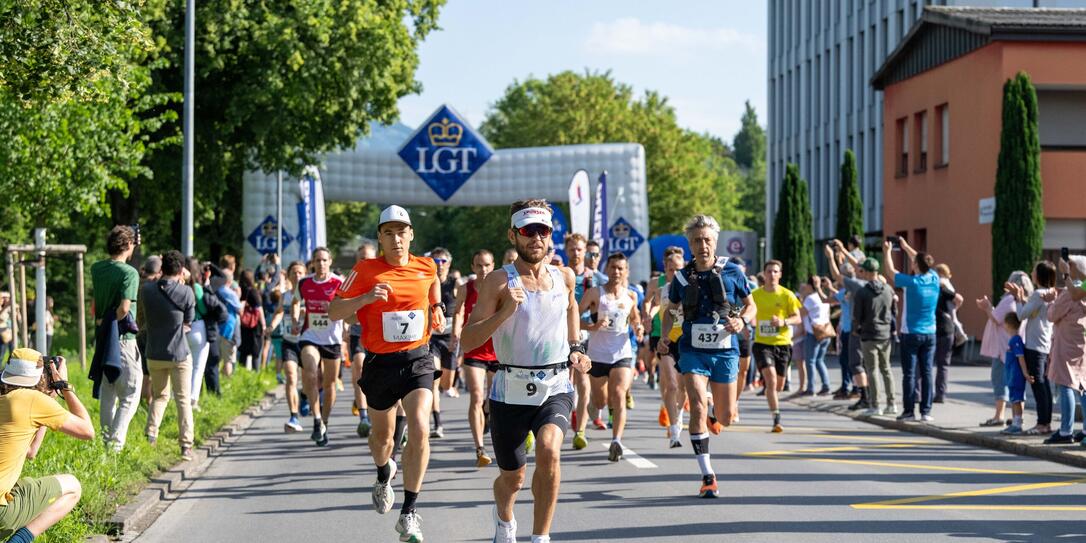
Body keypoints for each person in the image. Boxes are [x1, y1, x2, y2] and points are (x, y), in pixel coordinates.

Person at [460, 199, 590, 543]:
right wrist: (505, 312)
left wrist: (576, 349)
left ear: (550, 236)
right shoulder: (499, 282)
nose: (536, 237)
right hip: (509, 388)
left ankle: (540, 537)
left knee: (549, 449)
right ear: (513, 235)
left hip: (555, 384)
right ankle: (504, 519)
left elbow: (572, 309)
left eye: (542, 230)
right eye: (527, 230)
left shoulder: (565, 276)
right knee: (512, 478)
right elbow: (468, 338)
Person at [329, 205, 446, 543]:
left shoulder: (426, 266)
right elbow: (335, 310)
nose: (396, 238)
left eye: (401, 231)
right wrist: (365, 297)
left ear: (411, 234)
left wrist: (436, 308)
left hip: (418, 360)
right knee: (382, 441)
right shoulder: (365, 269)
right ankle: (384, 473)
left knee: (421, 426)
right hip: (380, 363)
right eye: (389, 233)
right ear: (380, 238)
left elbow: (434, 283)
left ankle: (409, 512)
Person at [658, 214, 756, 499]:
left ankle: (717, 413)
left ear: (716, 241)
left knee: (725, 416)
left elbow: (751, 306)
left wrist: (742, 322)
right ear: (690, 244)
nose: (703, 245)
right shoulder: (681, 277)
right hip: (692, 350)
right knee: (697, 405)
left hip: (725, 351)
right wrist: (666, 336)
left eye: (708, 240)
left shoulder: (733, 271)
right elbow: (669, 311)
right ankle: (707, 475)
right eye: (697, 240)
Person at [0, 348, 95, 542]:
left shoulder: (9, 400)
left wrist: (47, 399)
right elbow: (88, 431)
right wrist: (64, 385)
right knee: (73, 486)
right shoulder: (31, 400)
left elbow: (31, 451)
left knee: (25, 484)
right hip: (1, 515)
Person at [580, 252, 643, 462]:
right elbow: (573, 319)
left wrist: (639, 328)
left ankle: (616, 440)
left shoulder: (631, 296)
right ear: (606, 270)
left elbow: (635, 319)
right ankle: (594, 405)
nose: (616, 272)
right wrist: (592, 326)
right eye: (613, 267)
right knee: (601, 401)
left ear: (626, 272)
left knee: (618, 394)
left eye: (620, 268)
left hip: (622, 353)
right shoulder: (594, 294)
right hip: (597, 355)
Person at [138, 250, 197, 458]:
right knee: (182, 399)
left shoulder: (147, 291)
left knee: (160, 396)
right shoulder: (187, 293)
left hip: (153, 352)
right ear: (181, 270)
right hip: (179, 353)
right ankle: (186, 445)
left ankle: (151, 435)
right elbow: (189, 323)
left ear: (162, 268)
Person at [90, 225, 143, 451]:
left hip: (102, 337)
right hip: (122, 338)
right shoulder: (129, 273)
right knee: (131, 392)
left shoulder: (97, 268)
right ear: (129, 245)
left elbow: (94, 304)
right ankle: (115, 444)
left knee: (108, 392)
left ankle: (105, 442)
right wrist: (115, 318)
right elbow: (123, 308)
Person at [882, 238, 939, 422]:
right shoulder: (934, 278)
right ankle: (926, 411)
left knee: (910, 374)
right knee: (927, 372)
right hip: (930, 332)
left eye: (914, 263)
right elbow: (922, 261)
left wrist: (887, 252)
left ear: (916, 266)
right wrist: (906, 247)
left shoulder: (911, 283)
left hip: (911, 333)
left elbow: (890, 272)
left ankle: (908, 411)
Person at [451, 249, 498, 468]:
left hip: (498, 350)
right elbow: (458, 311)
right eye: (479, 265)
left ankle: (488, 412)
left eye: (487, 265)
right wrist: (456, 334)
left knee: (493, 399)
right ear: (473, 267)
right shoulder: (466, 288)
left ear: (493, 265)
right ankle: (479, 447)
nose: (483, 270)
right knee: (476, 396)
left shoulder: (500, 287)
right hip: (474, 350)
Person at [294, 247, 345, 447]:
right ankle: (316, 420)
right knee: (311, 373)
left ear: (330, 261)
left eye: (324, 260)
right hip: (310, 335)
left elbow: (348, 307)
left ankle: (324, 422)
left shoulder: (338, 283)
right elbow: (296, 301)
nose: (321, 264)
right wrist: (297, 318)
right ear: (312, 263)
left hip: (332, 339)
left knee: (330, 384)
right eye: (317, 260)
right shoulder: (305, 283)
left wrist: (333, 309)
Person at [564, 233, 607, 450]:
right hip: (561, 335)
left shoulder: (597, 278)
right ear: (566, 250)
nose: (576, 253)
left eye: (580, 249)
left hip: (587, 337)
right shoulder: (559, 274)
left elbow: (612, 299)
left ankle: (580, 431)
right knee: (562, 384)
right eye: (572, 249)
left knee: (583, 383)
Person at [749, 260, 801, 434]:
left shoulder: (787, 295)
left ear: (780, 274)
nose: (772, 275)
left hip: (783, 343)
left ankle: (773, 399)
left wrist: (783, 321)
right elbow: (747, 310)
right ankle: (776, 419)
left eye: (775, 271)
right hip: (762, 343)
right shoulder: (755, 295)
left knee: (778, 386)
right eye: (769, 271)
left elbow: (797, 318)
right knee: (770, 381)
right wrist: (749, 320)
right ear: (764, 274)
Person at [646, 246, 689, 447]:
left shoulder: (691, 287)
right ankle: (674, 431)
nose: (675, 274)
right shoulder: (662, 289)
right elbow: (654, 304)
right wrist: (649, 316)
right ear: (666, 269)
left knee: (683, 387)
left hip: (688, 341)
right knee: (671, 384)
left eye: (679, 270)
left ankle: (679, 413)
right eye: (671, 270)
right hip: (666, 340)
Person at [1007, 261, 1056, 435]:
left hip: (1034, 345)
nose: (1032, 273)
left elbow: (1021, 315)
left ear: (1040, 275)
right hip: (1045, 344)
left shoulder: (1037, 294)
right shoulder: (1050, 293)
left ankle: (1042, 424)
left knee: (1038, 386)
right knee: (1044, 385)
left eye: (1034, 271)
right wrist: (1022, 298)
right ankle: (1046, 423)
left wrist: (1018, 298)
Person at [1042, 255, 1086, 445]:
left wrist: (1051, 301)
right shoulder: (1079, 289)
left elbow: (1052, 315)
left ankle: (1066, 430)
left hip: (1066, 341)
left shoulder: (1071, 292)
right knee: (1083, 385)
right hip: (1081, 340)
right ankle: (1084, 430)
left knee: (1065, 384)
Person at [976, 271, 1030, 427]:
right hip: (1019, 344)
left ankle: (999, 415)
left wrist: (986, 307)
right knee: (1017, 383)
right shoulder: (1025, 301)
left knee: (999, 380)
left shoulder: (1008, 300)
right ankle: (1017, 416)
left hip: (1003, 347)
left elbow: (995, 317)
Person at [826, 241, 873, 410]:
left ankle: (865, 396)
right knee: (872, 365)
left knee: (856, 364)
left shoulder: (858, 286)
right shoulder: (880, 284)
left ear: (863, 272)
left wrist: (831, 258)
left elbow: (839, 277)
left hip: (857, 330)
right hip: (875, 330)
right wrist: (844, 252)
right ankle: (873, 398)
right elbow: (858, 267)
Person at [852, 258, 895, 416]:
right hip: (885, 333)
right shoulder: (888, 289)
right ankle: (891, 404)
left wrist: (856, 329)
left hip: (869, 333)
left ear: (868, 272)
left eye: (863, 271)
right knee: (886, 369)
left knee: (872, 370)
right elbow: (893, 311)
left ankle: (875, 404)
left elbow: (857, 316)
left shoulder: (862, 292)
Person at [348, 241, 378, 438]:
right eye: (361, 258)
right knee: (358, 367)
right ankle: (364, 418)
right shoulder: (352, 278)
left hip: (379, 334)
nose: (365, 261)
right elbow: (341, 307)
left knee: (377, 377)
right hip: (358, 332)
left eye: (368, 258)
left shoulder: (384, 277)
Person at [428, 247, 458, 438]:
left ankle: (441, 391)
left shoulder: (456, 284)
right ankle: (437, 424)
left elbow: (463, 309)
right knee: (434, 381)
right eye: (435, 262)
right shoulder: (426, 283)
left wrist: (458, 330)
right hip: (431, 338)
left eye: (443, 262)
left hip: (449, 338)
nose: (439, 266)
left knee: (446, 384)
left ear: (449, 263)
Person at [275, 261, 307, 432]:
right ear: (288, 276)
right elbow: (279, 313)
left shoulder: (309, 294)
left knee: (311, 380)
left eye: (300, 272)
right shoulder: (285, 296)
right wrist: (270, 326)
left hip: (308, 341)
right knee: (291, 376)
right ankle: (293, 416)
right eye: (294, 272)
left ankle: (304, 396)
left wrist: (305, 312)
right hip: (289, 341)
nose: (297, 276)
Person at [932, 264, 963, 403]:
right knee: (943, 365)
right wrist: (955, 311)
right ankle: (940, 394)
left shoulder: (938, 288)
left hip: (934, 328)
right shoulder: (948, 288)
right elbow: (959, 299)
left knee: (924, 364)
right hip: (948, 328)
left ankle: (919, 394)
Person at [184, 258, 211, 411]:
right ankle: (193, 400)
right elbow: (203, 308)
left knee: (184, 366)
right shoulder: (196, 287)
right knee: (197, 366)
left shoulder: (178, 286)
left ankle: (181, 397)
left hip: (182, 328)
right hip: (197, 326)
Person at [799, 276, 833, 396]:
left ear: (809, 286)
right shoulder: (825, 298)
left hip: (813, 333)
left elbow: (801, 313)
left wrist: (801, 297)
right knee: (819, 360)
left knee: (810, 361)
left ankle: (811, 388)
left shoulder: (810, 298)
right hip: (825, 332)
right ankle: (826, 385)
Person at [999, 312, 1031, 435]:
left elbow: (1020, 356)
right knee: (1014, 399)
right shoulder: (1013, 339)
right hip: (1012, 375)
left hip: (1016, 376)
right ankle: (1014, 423)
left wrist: (1024, 372)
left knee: (1016, 399)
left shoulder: (1016, 340)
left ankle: (1017, 424)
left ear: (1008, 325)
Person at [237, 270, 266, 371]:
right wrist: (264, 325)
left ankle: (241, 372)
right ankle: (255, 373)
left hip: (243, 325)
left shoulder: (240, 290)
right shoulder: (253, 291)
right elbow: (259, 309)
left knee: (243, 350)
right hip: (255, 326)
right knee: (255, 351)